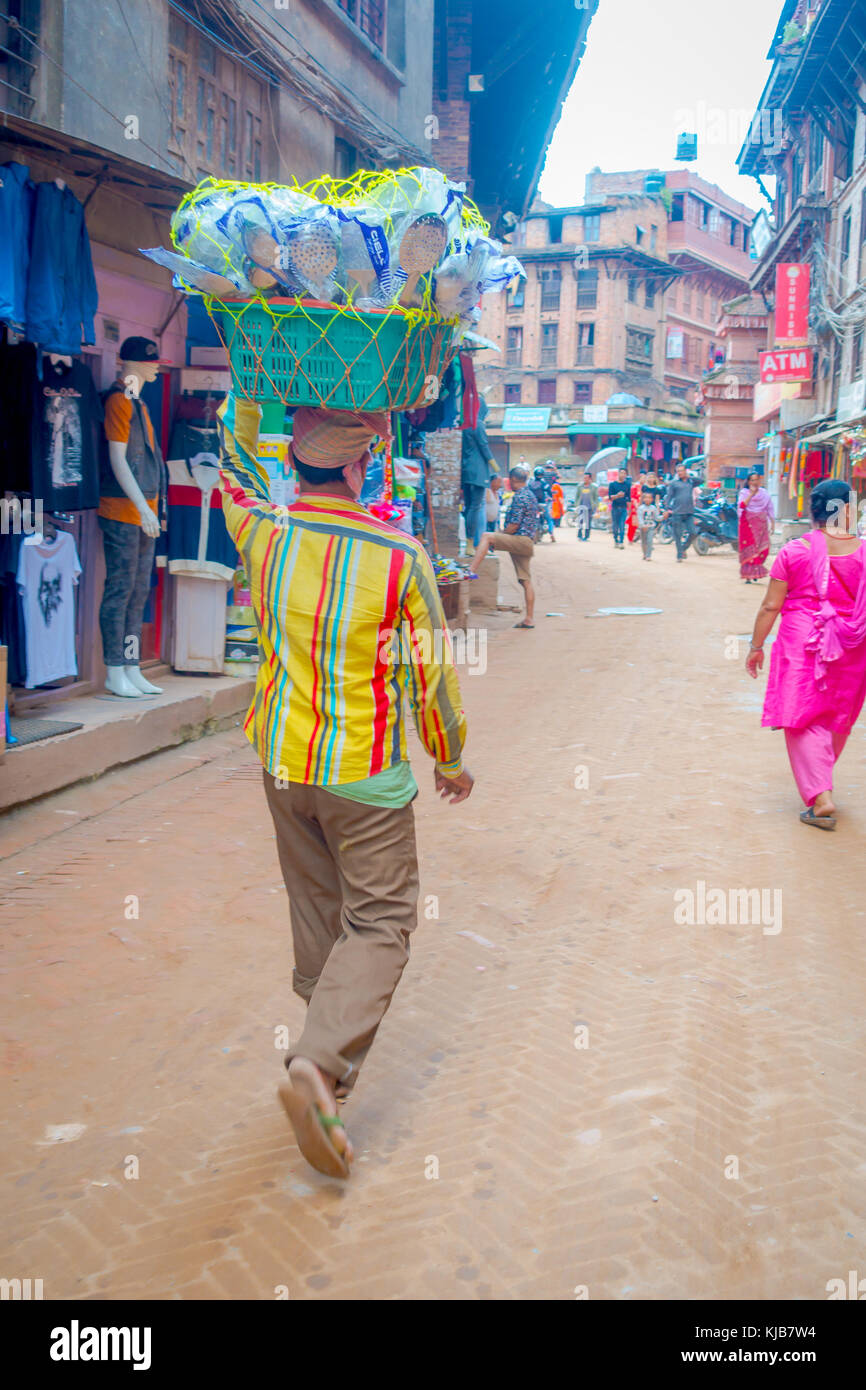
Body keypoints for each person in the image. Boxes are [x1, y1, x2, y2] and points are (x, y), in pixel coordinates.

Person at [216, 395, 472, 1178]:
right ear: (360, 465)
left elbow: (229, 462)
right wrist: (450, 755)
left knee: (319, 908)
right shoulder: (399, 557)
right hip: (362, 771)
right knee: (383, 920)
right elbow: (430, 670)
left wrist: (253, 378)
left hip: (282, 763)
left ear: (294, 460)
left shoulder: (261, 530)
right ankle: (318, 1067)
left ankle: (323, 1056)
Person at [746, 479, 866, 831]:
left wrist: (755, 647)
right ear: (846, 510)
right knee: (837, 713)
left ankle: (820, 798)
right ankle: (821, 789)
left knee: (802, 717)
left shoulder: (794, 551)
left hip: (803, 641)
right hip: (853, 643)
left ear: (812, 510)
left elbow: (771, 605)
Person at [468, 465, 538, 627]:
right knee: (526, 580)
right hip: (527, 541)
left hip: (519, 539)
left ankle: (470, 571)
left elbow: (514, 525)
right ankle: (529, 619)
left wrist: (500, 537)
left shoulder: (520, 497)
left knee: (486, 537)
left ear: (513, 480)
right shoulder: (531, 495)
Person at [460, 398, 495, 555]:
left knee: (471, 508)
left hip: (467, 470)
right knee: (476, 508)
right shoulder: (477, 424)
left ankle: (473, 543)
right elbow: (484, 446)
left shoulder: (465, 424)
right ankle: (474, 543)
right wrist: (494, 464)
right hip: (479, 472)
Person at [739, 471, 775, 583]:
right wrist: (751, 494)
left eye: (757, 480)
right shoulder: (744, 492)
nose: (755, 482)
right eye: (753, 480)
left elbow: (769, 508)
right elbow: (742, 505)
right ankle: (749, 576)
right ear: (749, 482)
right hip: (748, 524)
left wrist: (772, 523)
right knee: (750, 549)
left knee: (764, 550)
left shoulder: (764, 494)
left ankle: (756, 570)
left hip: (761, 524)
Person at [664, 462, 697, 562]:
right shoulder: (674, 483)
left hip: (689, 512)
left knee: (693, 532)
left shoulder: (691, 482)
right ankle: (679, 556)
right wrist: (667, 509)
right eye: (678, 471)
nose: (680, 473)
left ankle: (683, 549)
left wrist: (689, 476)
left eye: (681, 471)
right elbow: (669, 497)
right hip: (677, 512)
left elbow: (701, 480)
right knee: (677, 535)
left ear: (685, 471)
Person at [607, 467, 630, 548]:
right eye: (621, 473)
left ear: (626, 475)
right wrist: (617, 496)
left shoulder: (627, 485)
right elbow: (610, 497)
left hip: (623, 508)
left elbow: (629, 498)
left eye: (624, 473)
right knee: (615, 526)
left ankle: (621, 542)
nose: (623, 475)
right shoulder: (612, 484)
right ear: (618, 474)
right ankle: (616, 540)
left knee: (622, 525)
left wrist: (629, 510)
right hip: (615, 508)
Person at [637, 488, 661, 560]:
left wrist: (663, 517)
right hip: (643, 528)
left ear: (652, 499)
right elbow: (640, 518)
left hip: (651, 527)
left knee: (650, 541)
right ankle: (644, 553)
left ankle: (648, 555)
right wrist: (643, 525)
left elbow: (657, 518)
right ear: (643, 499)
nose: (648, 499)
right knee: (644, 541)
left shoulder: (653, 508)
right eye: (646, 498)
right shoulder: (641, 508)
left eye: (649, 498)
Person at [575, 470, 598, 540]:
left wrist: (595, 506)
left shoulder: (594, 487)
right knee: (580, 521)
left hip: (589, 507)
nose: (585, 479)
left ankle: (586, 536)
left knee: (588, 523)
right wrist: (576, 505)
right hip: (581, 507)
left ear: (590, 479)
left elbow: (595, 497)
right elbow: (577, 496)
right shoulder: (580, 486)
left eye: (587, 478)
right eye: (584, 478)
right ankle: (579, 535)